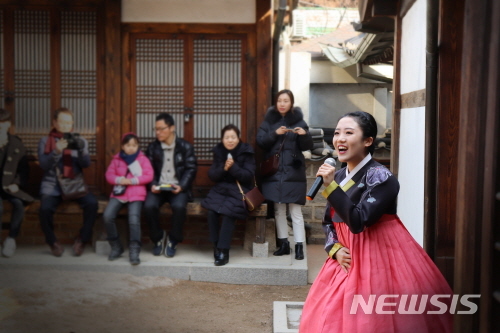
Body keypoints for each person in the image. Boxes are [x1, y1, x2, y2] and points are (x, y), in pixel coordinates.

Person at [299, 111, 452, 332]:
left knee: (374, 317)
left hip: (378, 256)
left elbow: (359, 220)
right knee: (329, 316)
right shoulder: (339, 176)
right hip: (345, 258)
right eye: (338, 133)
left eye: (349, 133)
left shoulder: (382, 178)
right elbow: (328, 221)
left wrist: (331, 187)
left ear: (368, 141)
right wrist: (334, 248)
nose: (340, 138)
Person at [256, 89, 313, 260]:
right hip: (274, 172)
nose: (282, 104)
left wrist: (304, 135)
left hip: (293, 172)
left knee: (295, 211)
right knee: (279, 210)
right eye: (279, 100)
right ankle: (284, 244)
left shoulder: (299, 121)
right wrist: (275, 133)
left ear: (291, 103)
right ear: (276, 103)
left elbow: (306, 146)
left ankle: (299, 246)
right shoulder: (268, 122)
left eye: (286, 101)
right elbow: (260, 142)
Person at [38, 108, 98, 257]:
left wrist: (83, 150)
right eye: (62, 122)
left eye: (68, 122)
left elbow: (86, 165)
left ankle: (82, 239)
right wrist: (56, 152)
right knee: (44, 209)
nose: (65, 125)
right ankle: (52, 242)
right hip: (52, 185)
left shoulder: (80, 140)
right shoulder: (45, 141)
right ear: (54, 123)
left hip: (74, 184)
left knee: (92, 204)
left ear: (72, 123)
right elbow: (44, 166)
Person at [144, 113, 197, 258]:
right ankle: (158, 238)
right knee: (149, 206)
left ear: (172, 128)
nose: (158, 132)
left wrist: (182, 186)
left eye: (161, 129)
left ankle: (173, 239)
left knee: (179, 207)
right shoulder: (152, 148)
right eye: (156, 129)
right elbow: (147, 169)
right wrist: (153, 184)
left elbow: (191, 168)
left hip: (177, 187)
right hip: (158, 188)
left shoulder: (185, 146)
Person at [201, 124, 255, 266]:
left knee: (229, 213)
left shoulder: (246, 152)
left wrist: (234, 167)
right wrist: (224, 168)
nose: (230, 140)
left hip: (240, 190)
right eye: (227, 137)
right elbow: (212, 175)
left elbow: (248, 176)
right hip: (221, 189)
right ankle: (216, 246)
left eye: (233, 137)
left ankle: (224, 250)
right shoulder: (219, 152)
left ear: (238, 138)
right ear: (222, 139)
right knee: (211, 212)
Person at [103, 132, 153, 265]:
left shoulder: (143, 159)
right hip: (119, 193)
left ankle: (134, 250)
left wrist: (134, 181)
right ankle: (116, 246)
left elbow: (149, 175)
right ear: (123, 146)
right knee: (108, 216)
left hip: (136, 193)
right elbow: (109, 175)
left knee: (134, 219)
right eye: (128, 145)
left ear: (138, 146)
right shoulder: (117, 159)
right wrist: (119, 179)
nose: (131, 148)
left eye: (134, 145)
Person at [0, 109, 34, 257]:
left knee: (19, 204)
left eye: (2, 124)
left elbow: (23, 169)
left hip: (9, 187)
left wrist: (17, 183)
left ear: (8, 124)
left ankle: (11, 239)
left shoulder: (16, 143)